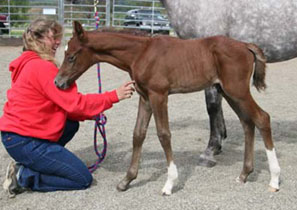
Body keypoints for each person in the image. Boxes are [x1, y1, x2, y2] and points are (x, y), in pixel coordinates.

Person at [0, 17, 135, 198]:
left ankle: (37, 161)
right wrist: (113, 96)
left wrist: (92, 114)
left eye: (58, 37)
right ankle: (24, 176)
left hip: (15, 136)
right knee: (81, 178)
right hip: (25, 140)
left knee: (71, 123)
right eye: (52, 37)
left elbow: (66, 106)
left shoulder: (27, 62)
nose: (57, 42)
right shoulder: (41, 67)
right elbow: (75, 103)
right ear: (38, 39)